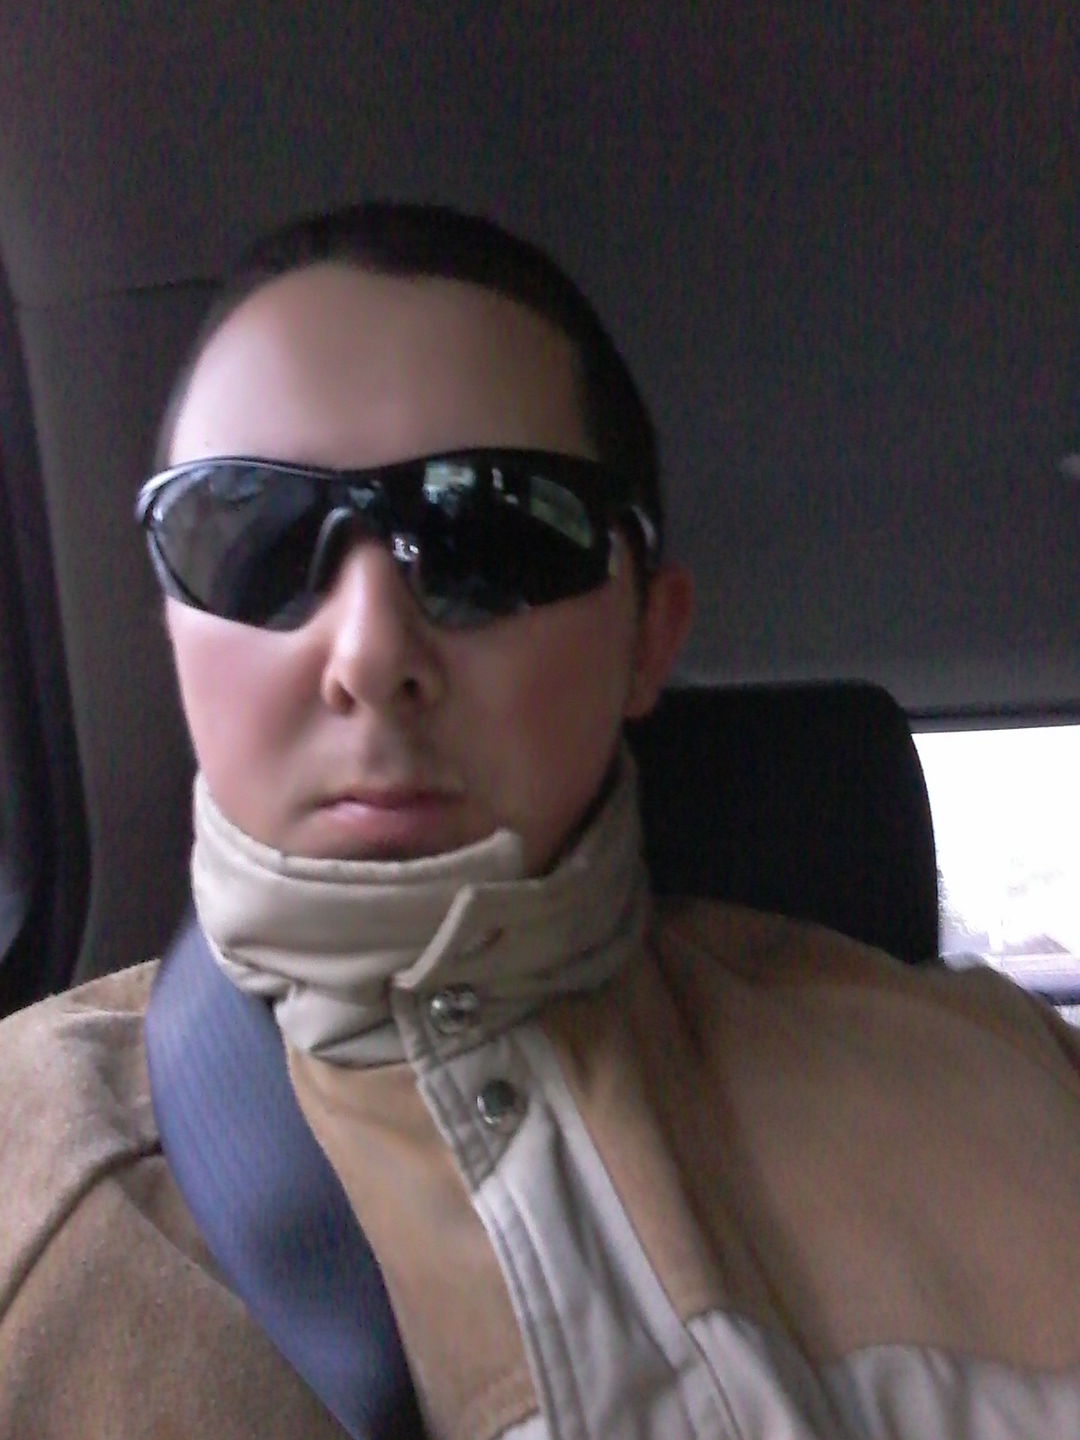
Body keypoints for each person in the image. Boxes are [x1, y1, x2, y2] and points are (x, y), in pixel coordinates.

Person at [1, 202, 1079, 1440]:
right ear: (172, 624)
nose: (370, 654)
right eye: (252, 536)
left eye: (490, 536)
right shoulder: (28, 1180)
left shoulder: (1015, 1089)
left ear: (649, 637)